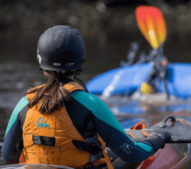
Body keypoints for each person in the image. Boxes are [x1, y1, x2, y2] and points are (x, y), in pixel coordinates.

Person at [1, 25, 170, 168]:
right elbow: (132, 154)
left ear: (42, 62)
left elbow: (8, 156)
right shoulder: (91, 104)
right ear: (80, 59)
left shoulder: (24, 103)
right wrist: (158, 139)